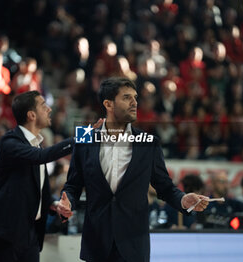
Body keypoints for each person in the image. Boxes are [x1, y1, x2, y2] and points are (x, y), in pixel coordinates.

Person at [58, 77, 209, 262]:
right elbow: (72, 186)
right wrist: (67, 203)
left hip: (134, 247)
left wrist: (184, 199)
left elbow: (165, 187)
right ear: (108, 104)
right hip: (96, 244)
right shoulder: (84, 140)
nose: (135, 103)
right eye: (127, 97)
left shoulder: (150, 143)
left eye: (135, 98)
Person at [0, 91, 75, 262]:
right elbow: (41, 157)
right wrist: (83, 136)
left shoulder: (36, 145)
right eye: (44, 106)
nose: (50, 109)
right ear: (31, 115)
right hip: (3, 235)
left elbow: (36, 189)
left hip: (30, 235)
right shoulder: (10, 142)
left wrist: (54, 204)